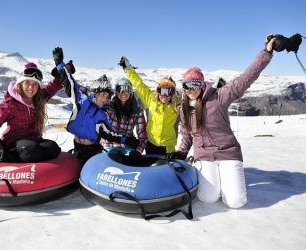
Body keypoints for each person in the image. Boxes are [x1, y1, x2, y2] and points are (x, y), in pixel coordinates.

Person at [166, 34, 277, 208]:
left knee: (236, 202)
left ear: (202, 85)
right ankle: (218, 182)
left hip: (227, 152)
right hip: (203, 155)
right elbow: (187, 135)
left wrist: (266, 52)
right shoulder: (184, 108)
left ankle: (228, 179)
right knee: (208, 197)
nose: (191, 90)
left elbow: (245, 78)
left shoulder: (219, 97)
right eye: (187, 86)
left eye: (195, 85)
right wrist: (181, 152)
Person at [52, 48, 140, 165]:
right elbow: (70, 83)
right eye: (103, 94)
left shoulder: (101, 115)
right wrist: (59, 64)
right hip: (76, 147)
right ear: (95, 93)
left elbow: (109, 134)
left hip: (91, 151)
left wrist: (127, 140)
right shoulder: (80, 101)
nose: (105, 99)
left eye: (107, 96)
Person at [0, 61, 63, 162]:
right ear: (20, 83)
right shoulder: (10, 104)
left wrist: (63, 68)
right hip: (14, 142)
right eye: (27, 82)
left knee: (53, 148)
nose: (31, 88)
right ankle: (9, 156)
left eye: (35, 84)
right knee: (31, 150)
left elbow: (54, 85)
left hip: (34, 140)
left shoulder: (39, 98)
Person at [118, 58, 181, 155]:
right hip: (151, 144)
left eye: (169, 92)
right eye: (161, 91)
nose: (164, 95)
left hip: (168, 147)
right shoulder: (151, 99)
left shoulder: (177, 104)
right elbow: (139, 84)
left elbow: (195, 99)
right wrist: (128, 69)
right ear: (157, 91)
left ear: (173, 93)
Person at [100, 77, 147, 162]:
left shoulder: (137, 110)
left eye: (127, 89)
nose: (123, 93)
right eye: (120, 89)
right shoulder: (108, 107)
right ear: (116, 91)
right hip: (108, 146)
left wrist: (138, 150)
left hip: (127, 147)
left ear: (131, 92)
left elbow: (142, 133)